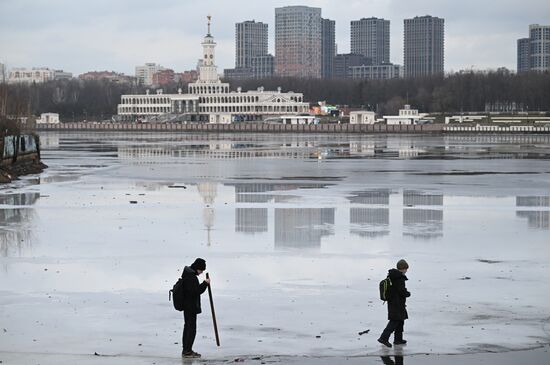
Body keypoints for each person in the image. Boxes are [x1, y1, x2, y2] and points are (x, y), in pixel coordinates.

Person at [378, 259, 411, 348]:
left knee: (400, 321)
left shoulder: (393, 276)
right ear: (402, 268)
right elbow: (401, 291)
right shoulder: (399, 278)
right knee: (394, 321)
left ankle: (398, 339)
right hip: (397, 304)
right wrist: (407, 293)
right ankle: (383, 338)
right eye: (406, 268)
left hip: (395, 303)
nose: (406, 270)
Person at [181, 258, 210, 358]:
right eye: (201, 270)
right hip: (190, 307)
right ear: (197, 268)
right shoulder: (191, 277)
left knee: (188, 327)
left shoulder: (188, 274)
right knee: (191, 329)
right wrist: (205, 283)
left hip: (188, 306)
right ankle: (187, 351)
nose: (201, 272)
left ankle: (187, 350)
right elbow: (195, 291)